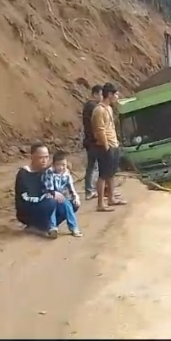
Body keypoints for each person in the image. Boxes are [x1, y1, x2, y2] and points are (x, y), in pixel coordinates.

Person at [14, 143, 70, 239]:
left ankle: (44, 226)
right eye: (41, 157)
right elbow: (25, 198)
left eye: (47, 157)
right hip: (28, 207)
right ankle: (39, 225)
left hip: (44, 203)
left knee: (70, 203)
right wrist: (46, 196)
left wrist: (63, 175)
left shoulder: (47, 172)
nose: (44, 161)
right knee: (51, 201)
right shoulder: (23, 174)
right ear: (32, 157)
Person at [91, 83, 127, 212]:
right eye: (116, 94)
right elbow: (100, 130)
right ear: (110, 95)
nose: (117, 97)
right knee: (103, 175)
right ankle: (100, 203)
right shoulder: (99, 110)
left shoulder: (109, 108)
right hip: (105, 146)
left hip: (113, 144)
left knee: (111, 174)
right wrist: (106, 146)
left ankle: (111, 198)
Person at [44, 151, 83, 237]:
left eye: (63, 165)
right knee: (52, 204)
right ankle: (52, 227)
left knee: (68, 205)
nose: (61, 167)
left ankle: (74, 227)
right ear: (53, 164)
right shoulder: (49, 172)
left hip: (61, 196)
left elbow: (71, 187)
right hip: (50, 195)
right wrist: (54, 194)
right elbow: (49, 188)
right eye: (58, 165)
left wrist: (76, 197)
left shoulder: (66, 174)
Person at [82, 85, 103, 200]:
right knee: (93, 166)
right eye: (100, 94)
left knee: (93, 166)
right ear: (94, 94)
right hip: (92, 142)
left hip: (90, 141)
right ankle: (90, 190)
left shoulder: (90, 106)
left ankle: (91, 189)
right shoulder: (92, 107)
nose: (101, 97)